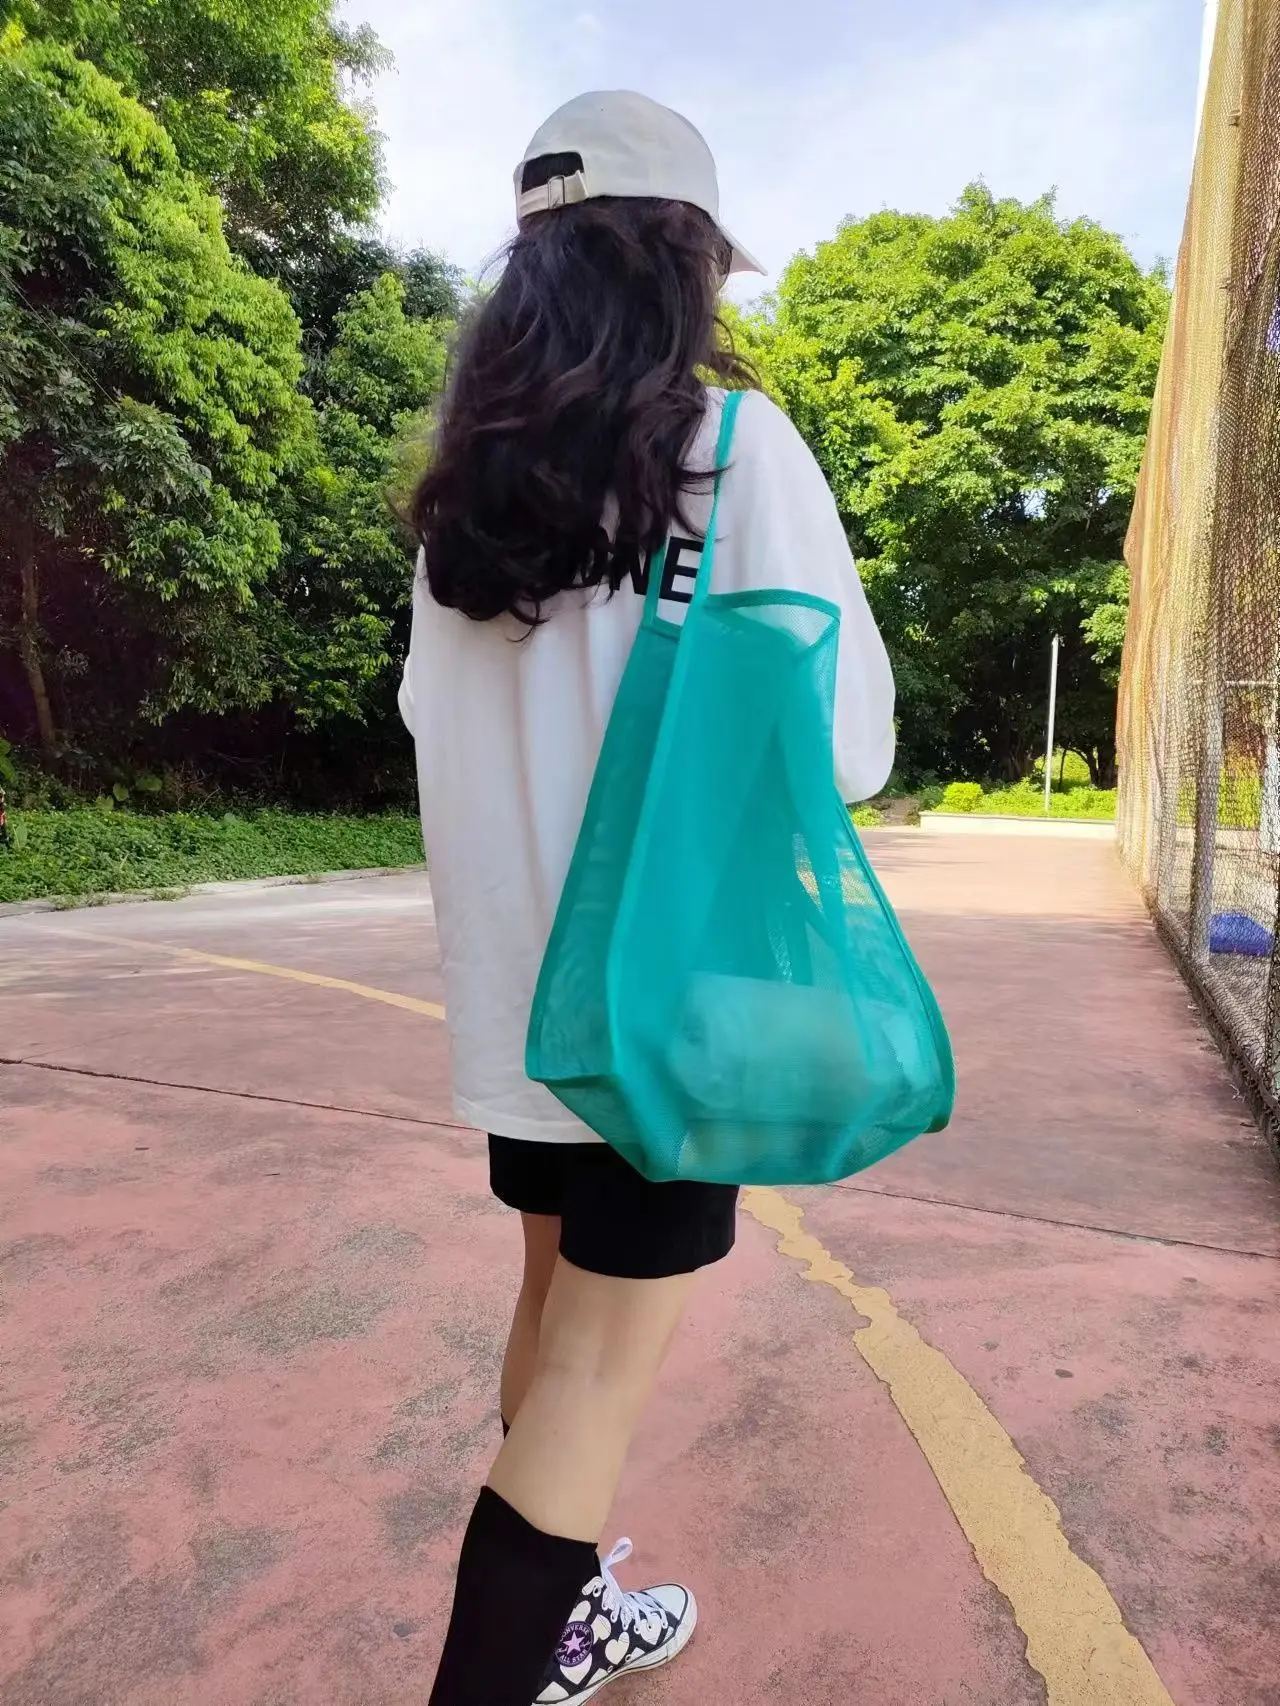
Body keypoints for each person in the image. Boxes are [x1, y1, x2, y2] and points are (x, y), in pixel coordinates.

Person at [400, 89, 895, 1706]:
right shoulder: (734, 451)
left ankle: (575, 1614)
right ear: (687, 260)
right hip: (666, 1008)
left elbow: (425, 720)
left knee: (552, 1309)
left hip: (514, 1001)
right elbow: (850, 741)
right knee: (600, 1375)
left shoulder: (462, 506)